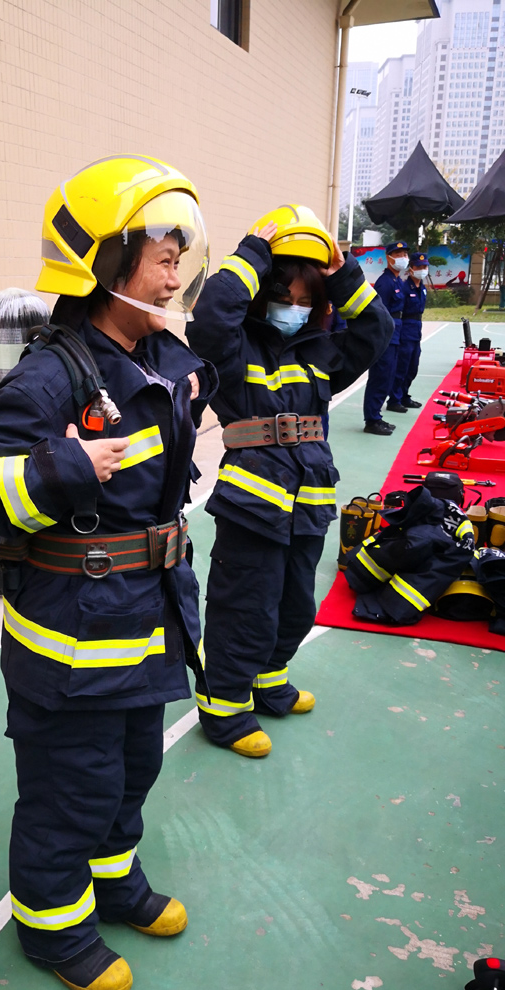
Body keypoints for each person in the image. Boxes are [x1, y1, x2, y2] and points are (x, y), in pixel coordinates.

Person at [0, 156, 215, 990]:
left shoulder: (157, 358)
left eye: (178, 254)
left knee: (131, 773)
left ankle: (114, 882)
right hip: (73, 645)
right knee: (69, 790)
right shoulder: (53, 372)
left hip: (143, 625)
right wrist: (59, 467)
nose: (174, 269)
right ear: (106, 264)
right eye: (161, 254)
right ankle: (53, 925)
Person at [186, 203, 392, 759]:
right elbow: (208, 322)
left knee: (296, 605)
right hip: (252, 506)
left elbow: (377, 331)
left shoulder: (322, 351)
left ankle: (269, 680)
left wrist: (343, 276)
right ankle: (224, 709)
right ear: (263, 295)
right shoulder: (234, 349)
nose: (295, 309)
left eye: (307, 301)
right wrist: (252, 254)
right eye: (286, 297)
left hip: (309, 505)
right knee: (243, 608)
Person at [361, 239, 408, 435]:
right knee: (380, 377)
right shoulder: (385, 282)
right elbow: (380, 312)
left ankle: (377, 417)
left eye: (405, 254)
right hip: (386, 335)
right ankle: (371, 420)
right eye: (398, 255)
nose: (403, 258)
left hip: (396, 334)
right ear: (389, 258)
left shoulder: (397, 280)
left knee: (388, 376)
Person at [388, 251, 428, 411]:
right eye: (419, 267)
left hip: (416, 331)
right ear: (411, 268)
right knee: (401, 367)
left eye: (424, 267)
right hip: (405, 331)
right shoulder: (405, 287)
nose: (422, 270)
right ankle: (394, 400)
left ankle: (404, 396)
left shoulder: (422, 288)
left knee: (413, 367)